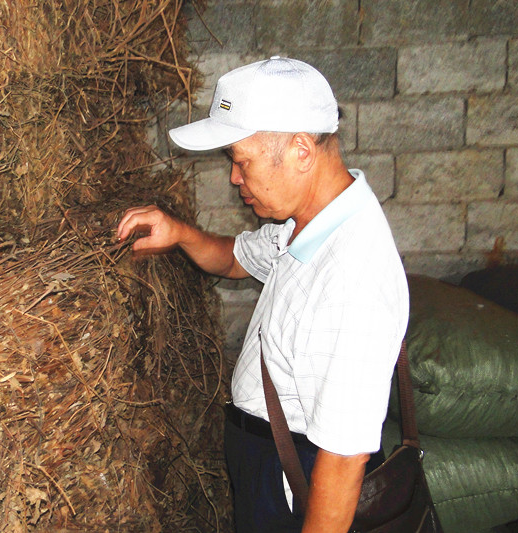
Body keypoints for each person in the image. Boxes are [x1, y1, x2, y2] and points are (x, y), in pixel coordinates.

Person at [116, 56, 408, 532]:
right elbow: (234, 258)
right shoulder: (304, 219)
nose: (234, 179)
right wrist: (180, 234)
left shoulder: (352, 278)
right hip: (266, 457)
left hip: (296, 480)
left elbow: (343, 460)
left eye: (240, 161)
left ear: (300, 151)